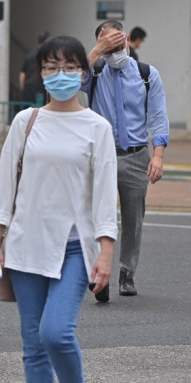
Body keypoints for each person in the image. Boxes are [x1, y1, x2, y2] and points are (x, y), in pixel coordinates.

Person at [0, 35, 118, 383]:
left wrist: (105, 253)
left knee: (55, 333)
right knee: (34, 346)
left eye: (70, 67)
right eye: (52, 67)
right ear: (41, 74)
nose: (61, 74)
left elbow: (105, 195)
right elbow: (5, 187)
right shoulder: (25, 122)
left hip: (74, 248)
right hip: (26, 244)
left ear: (83, 73)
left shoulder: (98, 127)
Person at [84, 20, 168, 300]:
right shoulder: (94, 71)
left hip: (136, 155)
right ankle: (100, 274)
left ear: (127, 39)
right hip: (102, 154)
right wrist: (97, 50)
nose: (113, 50)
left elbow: (158, 116)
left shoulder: (147, 74)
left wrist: (157, 155)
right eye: (106, 45)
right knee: (98, 216)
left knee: (134, 218)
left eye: (117, 44)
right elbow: (69, 80)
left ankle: (126, 273)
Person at [19, 31, 50, 106]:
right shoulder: (47, 56)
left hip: (27, 92)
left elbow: (22, 75)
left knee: (26, 115)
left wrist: (23, 90)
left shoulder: (30, 55)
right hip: (41, 92)